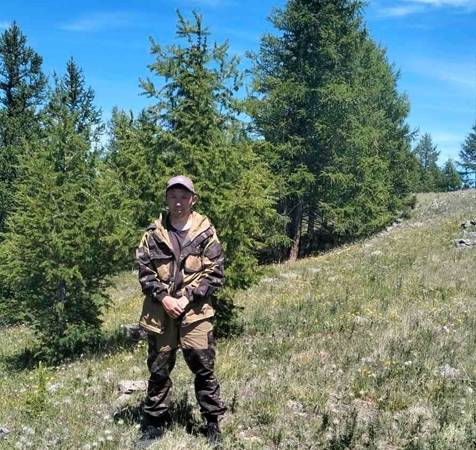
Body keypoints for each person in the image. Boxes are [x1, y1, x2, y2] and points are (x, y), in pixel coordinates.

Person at [136, 175, 227, 448]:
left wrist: (186, 299)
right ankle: (155, 424)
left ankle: (212, 424)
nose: (178, 202)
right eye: (173, 196)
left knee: (204, 369)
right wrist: (164, 298)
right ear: (166, 199)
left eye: (184, 197)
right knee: (159, 370)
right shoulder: (153, 234)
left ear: (193, 199)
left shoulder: (206, 232)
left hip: (196, 314)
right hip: (161, 314)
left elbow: (215, 273)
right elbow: (144, 271)